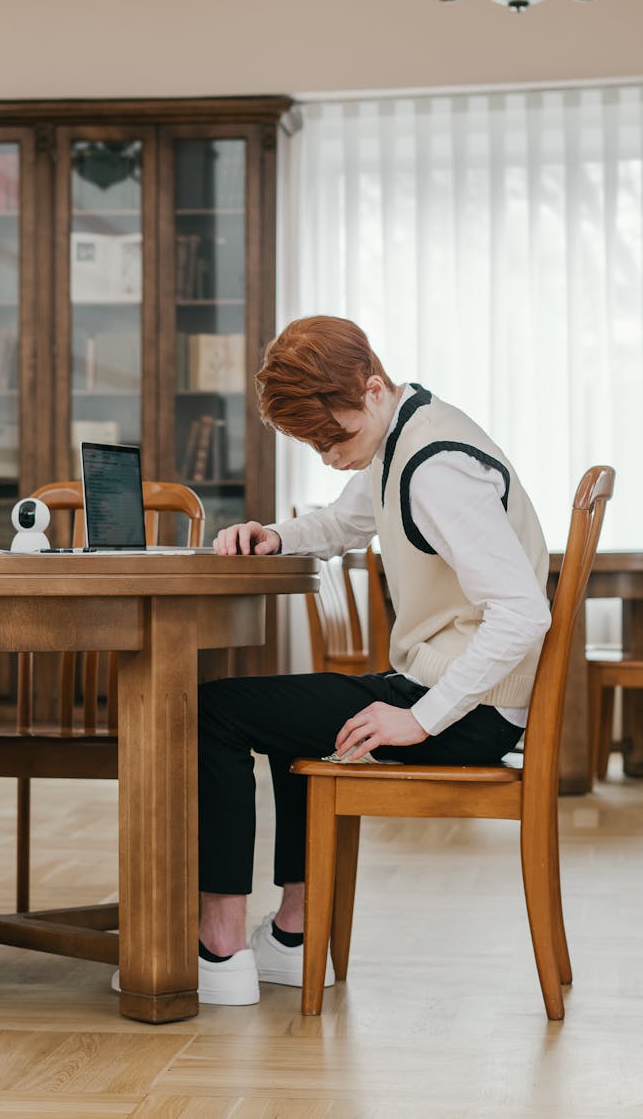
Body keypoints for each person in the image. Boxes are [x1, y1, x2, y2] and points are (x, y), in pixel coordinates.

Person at [197, 315, 551, 1006]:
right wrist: (274, 534)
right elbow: (345, 522)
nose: (329, 457)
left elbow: (523, 612)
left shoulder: (436, 467)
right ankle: (292, 941)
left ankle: (220, 946)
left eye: (336, 437)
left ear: (373, 386)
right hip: (452, 690)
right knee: (279, 714)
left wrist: (420, 719)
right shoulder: (405, 430)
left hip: (461, 709)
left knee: (217, 712)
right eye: (315, 445)